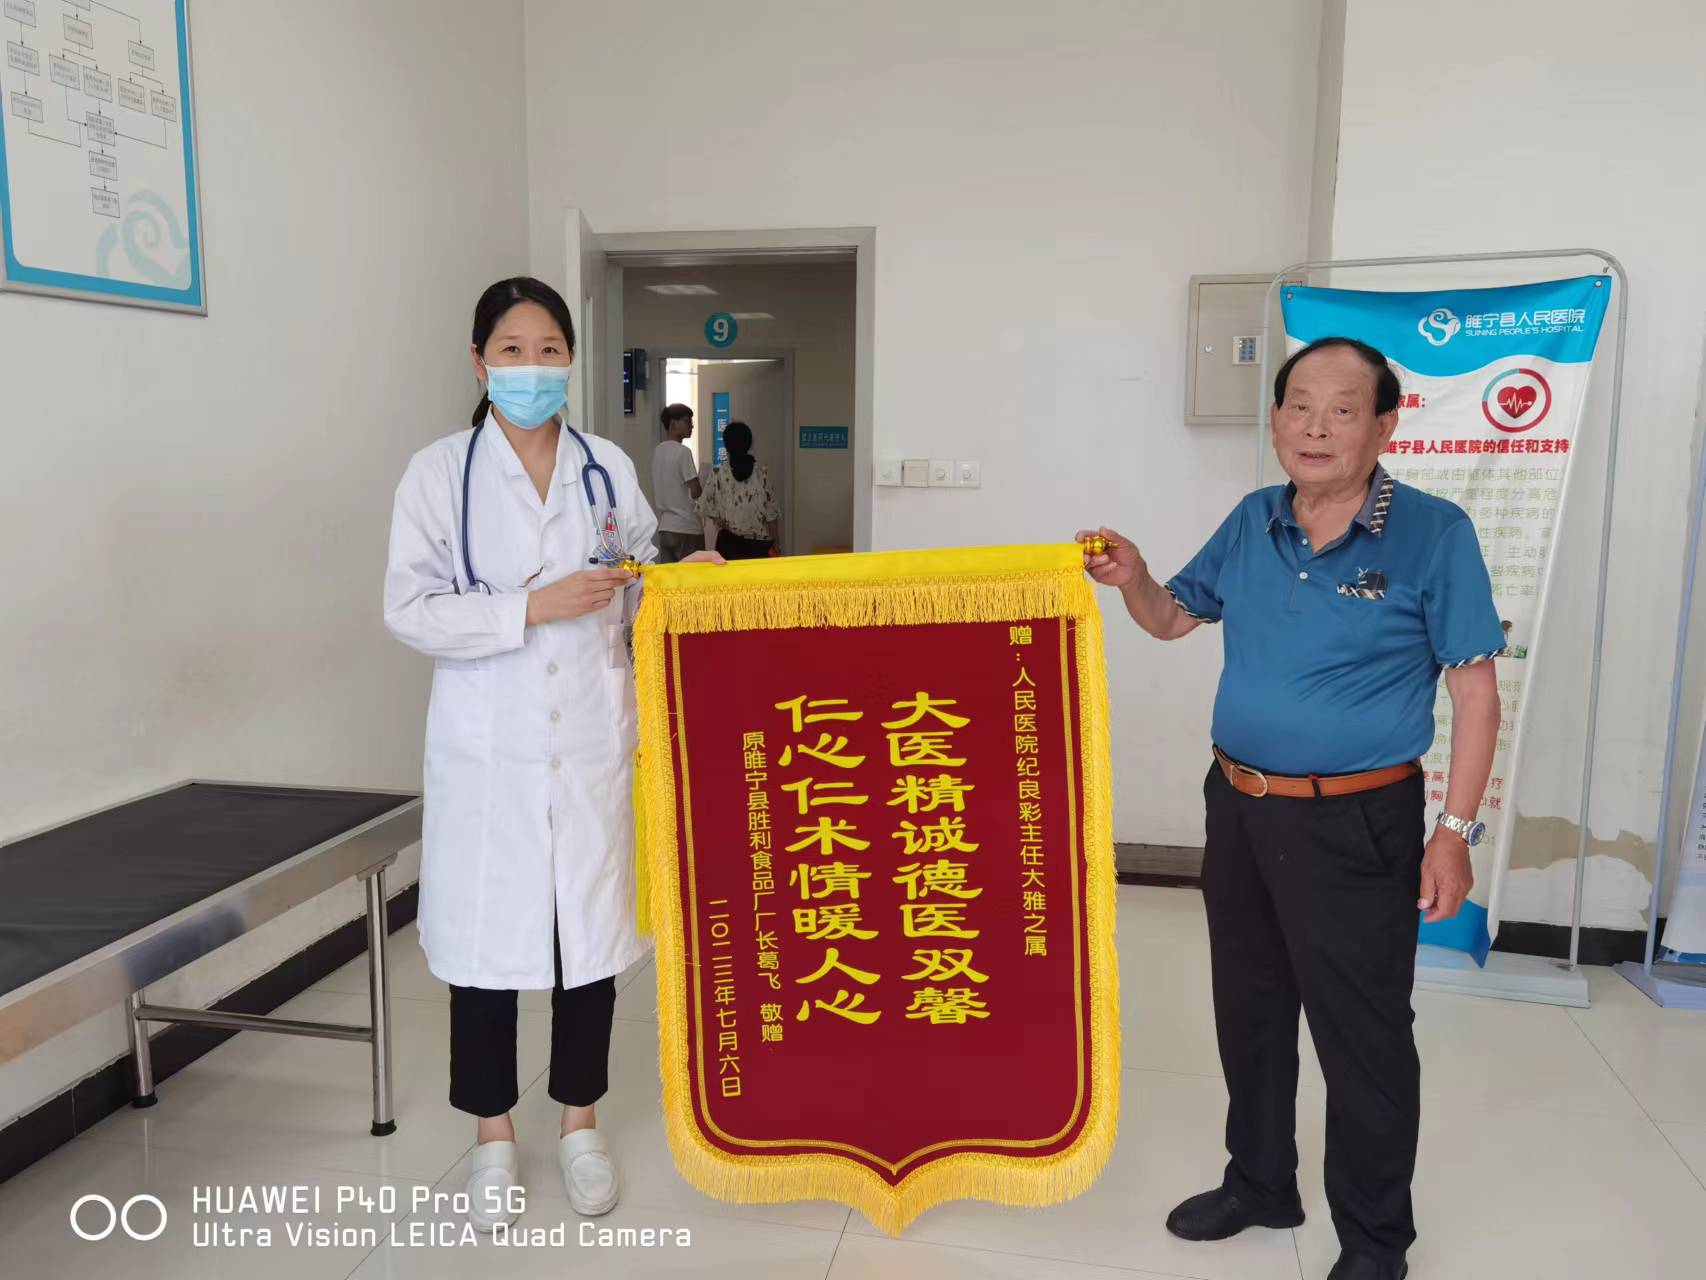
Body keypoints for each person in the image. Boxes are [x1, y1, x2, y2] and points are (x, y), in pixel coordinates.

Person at [1081, 337, 1503, 1280]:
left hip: (1357, 820)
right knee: (1251, 1006)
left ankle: (1376, 1241)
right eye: (1299, 406)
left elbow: (1476, 696)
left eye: (1342, 410)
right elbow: (1173, 617)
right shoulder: (1253, 519)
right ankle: (1261, 1183)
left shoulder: (1433, 535)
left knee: (1364, 1036)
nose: (1316, 427)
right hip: (1238, 806)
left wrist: (1454, 834)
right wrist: (1135, 576)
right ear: (1275, 420)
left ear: (1384, 427)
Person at [383, 277, 721, 1232]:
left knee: (589, 949)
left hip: (590, 744)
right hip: (488, 752)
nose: (531, 368)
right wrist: (527, 607)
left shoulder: (606, 469)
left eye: (548, 350)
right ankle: (493, 1137)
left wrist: (680, 582)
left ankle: (579, 1124)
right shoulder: (438, 475)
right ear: (479, 361)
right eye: (512, 350)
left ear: (570, 360)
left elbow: (637, 587)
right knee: (485, 955)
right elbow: (409, 610)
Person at [695, 420, 780, 558]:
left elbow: (704, 506)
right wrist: (777, 544)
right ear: (749, 443)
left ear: (726, 445)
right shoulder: (760, 473)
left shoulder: (718, 473)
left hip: (728, 544)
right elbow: (771, 514)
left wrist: (723, 523)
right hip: (758, 546)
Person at [651, 403, 703, 562]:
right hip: (687, 527)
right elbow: (696, 491)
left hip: (665, 527)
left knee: (671, 577)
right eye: (687, 421)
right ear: (673, 423)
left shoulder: (658, 451)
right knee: (693, 576)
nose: (691, 426)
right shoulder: (683, 452)